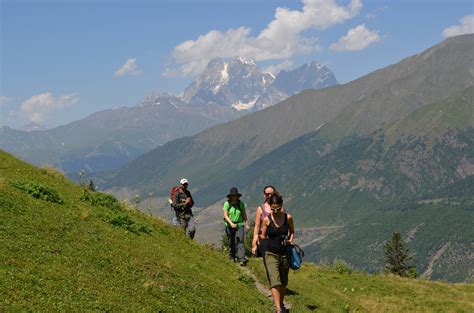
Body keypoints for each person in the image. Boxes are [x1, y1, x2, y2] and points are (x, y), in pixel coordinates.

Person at [259, 192, 294, 313]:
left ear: (282, 205)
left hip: (284, 253)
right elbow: (262, 236)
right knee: (275, 281)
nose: (276, 211)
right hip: (271, 253)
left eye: (278, 208)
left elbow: (292, 231)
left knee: (284, 282)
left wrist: (289, 240)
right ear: (270, 207)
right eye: (273, 209)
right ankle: (278, 309)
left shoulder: (288, 218)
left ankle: (281, 303)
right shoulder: (266, 220)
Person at [251, 185, 284, 258]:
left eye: (271, 194)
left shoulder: (280, 208)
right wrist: (254, 241)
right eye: (267, 194)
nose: (269, 195)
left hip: (277, 239)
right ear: (264, 195)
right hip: (264, 239)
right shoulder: (260, 209)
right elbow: (257, 226)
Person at [223, 187, 250, 266]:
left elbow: (244, 214)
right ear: (230, 196)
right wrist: (231, 223)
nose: (234, 197)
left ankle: (242, 258)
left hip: (239, 224)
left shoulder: (240, 204)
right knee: (231, 241)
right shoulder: (227, 204)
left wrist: (247, 224)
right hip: (229, 225)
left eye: (235, 195)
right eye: (233, 195)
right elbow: (225, 215)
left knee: (240, 241)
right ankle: (232, 256)